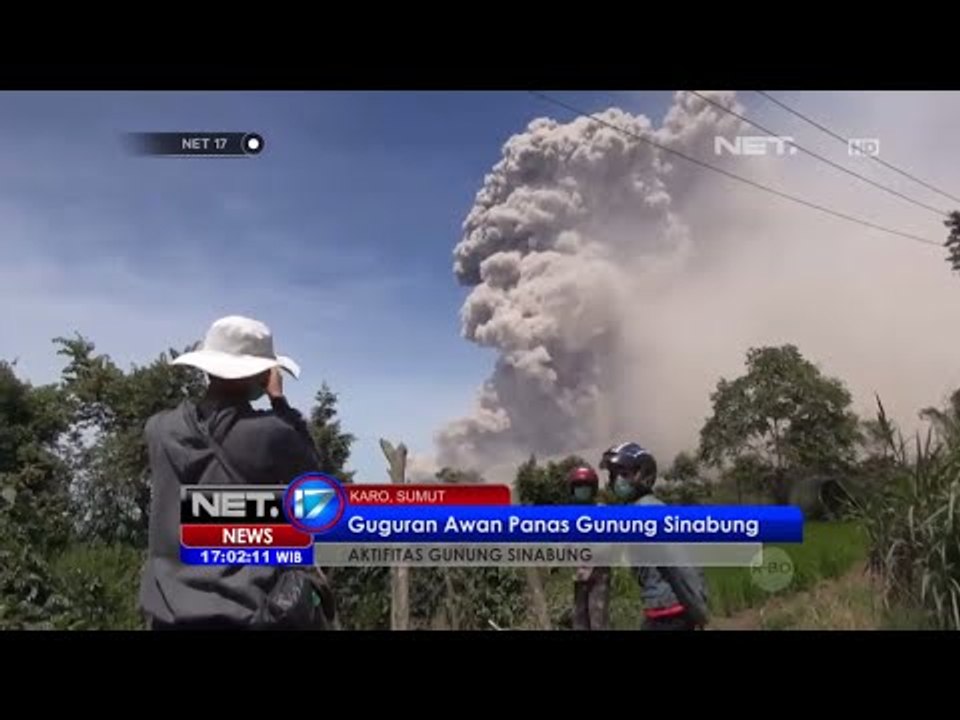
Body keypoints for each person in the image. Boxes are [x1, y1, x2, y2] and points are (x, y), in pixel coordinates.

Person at [139, 315, 328, 630]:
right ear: (258, 375)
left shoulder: (158, 429)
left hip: (167, 614)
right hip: (246, 611)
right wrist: (279, 401)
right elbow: (314, 481)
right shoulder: (272, 433)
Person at [600, 442, 710, 631]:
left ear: (643, 475)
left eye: (624, 474)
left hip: (671, 613)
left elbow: (680, 561)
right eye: (614, 475)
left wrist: (699, 609)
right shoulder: (637, 509)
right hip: (661, 610)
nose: (617, 481)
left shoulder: (648, 509)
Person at [567, 466, 611, 631]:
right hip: (580, 576)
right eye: (578, 486)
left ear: (592, 489)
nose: (581, 490)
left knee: (598, 621)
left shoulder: (601, 511)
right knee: (579, 622)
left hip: (598, 576)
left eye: (585, 486)